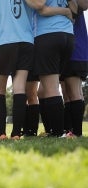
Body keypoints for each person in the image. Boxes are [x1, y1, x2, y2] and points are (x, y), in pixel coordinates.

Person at [0, 0, 44, 140]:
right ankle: (16, 133)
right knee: (19, 88)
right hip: (25, 41)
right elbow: (39, 6)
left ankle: (1, 133)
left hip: (4, 41)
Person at [34, 0, 74, 137]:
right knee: (43, 90)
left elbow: (40, 7)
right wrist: (66, 11)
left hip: (47, 34)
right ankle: (51, 129)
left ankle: (58, 133)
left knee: (51, 89)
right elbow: (73, 9)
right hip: (68, 35)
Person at [60, 0, 88, 137]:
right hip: (62, 47)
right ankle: (69, 131)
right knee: (66, 92)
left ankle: (77, 133)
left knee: (74, 91)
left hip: (77, 47)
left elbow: (84, 5)